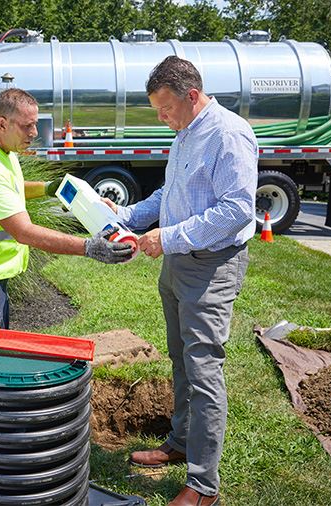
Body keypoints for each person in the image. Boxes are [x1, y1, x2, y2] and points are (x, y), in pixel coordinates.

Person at [104, 56, 258, 506]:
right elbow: (169, 194)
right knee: (180, 359)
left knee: (204, 369)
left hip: (210, 267)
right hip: (178, 265)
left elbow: (236, 210)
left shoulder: (228, 135)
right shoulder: (185, 134)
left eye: (164, 108)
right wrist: (127, 215)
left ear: (191, 96)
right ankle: (181, 442)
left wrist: (168, 237)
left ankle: (203, 485)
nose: (161, 117)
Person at [0, 88, 133, 328]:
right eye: (26, 126)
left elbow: (9, 188)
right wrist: (88, 247)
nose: (34, 133)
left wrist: (49, 188)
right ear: (2, 123)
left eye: (35, 124)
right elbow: (24, 232)